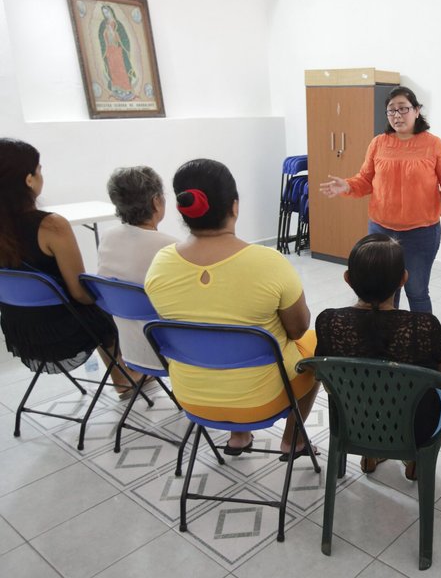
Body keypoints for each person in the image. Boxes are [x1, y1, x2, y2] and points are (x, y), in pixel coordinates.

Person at [145, 158, 319, 457]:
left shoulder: (160, 265)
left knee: (212, 335)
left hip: (190, 398)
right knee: (318, 343)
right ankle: (294, 441)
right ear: (234, 207)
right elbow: (298, 328)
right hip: (263, 399)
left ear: (182, 210)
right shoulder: (269, 263)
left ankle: (238, 435)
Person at [320, 86, 441, 314]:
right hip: (381, 230)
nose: (397, 115)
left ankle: (422, 343)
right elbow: (365, 180)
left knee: (417, 291)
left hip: (421, 232)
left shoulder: (433, 144)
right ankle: (390, 342)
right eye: (391, 110)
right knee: (385, 293)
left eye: (403, 109)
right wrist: (347, 185)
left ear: (417, 110)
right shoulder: (378, 143)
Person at [0, 138, 133, 395]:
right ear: (29, 179)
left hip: (19, 330)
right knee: (109, 306)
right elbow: (79, 293)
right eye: (39, 169)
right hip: (63, 331)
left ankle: (124, 376)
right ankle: (124, 378)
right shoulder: (51, 226)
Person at [315, 233, 441, 479]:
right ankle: (414, 458)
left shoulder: (328, 321)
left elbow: (325, 380)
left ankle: (370, 452)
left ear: (348, 279)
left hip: (353, 421)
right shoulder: (424, 326)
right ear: (403, 279)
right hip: (414, 428)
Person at [97, 166, 178, 372]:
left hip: (130, 351)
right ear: (156, 201)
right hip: (172, 352)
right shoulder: (170, 248)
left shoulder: (107, 237)